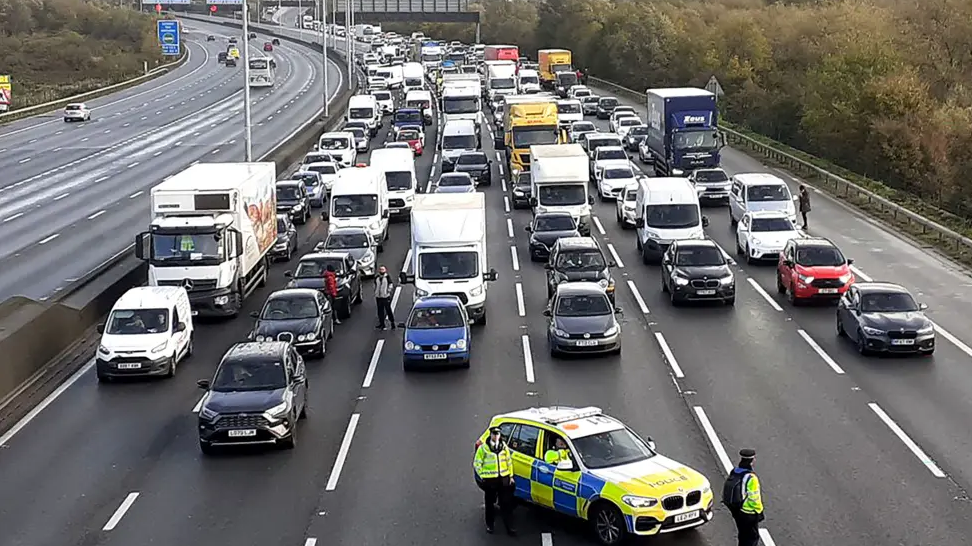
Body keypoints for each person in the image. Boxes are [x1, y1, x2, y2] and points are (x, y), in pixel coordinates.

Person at [473, 427, 516, 535]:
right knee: (490, 503)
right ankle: (490, 525)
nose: (496, 436)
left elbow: (508, 461)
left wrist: (510, 476)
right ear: (490, 435)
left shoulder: (504, 447)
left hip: (504, 479)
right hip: (490, 480)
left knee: (506, 503)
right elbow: (477, 463)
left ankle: (509, 527)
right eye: (494, 434)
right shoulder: (483, 448)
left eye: (498, 434)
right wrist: (483, 476)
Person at [723, 448, 764, 546]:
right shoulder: (751, 477)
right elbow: (754, 498)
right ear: (751, 461)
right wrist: (759, 511)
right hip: (748, 512)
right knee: (751, 538)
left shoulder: (735, 471)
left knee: (742, 535)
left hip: (737, 510)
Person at [374, 265, 396, 330]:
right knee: (380, 311)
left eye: (383, 269)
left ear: (385, 270)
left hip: (385, 297)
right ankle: (382, 324)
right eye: (380, 269)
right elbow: (375, 284)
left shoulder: (387, 277)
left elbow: (391, 284)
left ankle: (392, 323)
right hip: (378, 296)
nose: (381, 271)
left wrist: (388, 291)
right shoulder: (377, 277)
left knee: (388, 310)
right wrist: (375, 292)